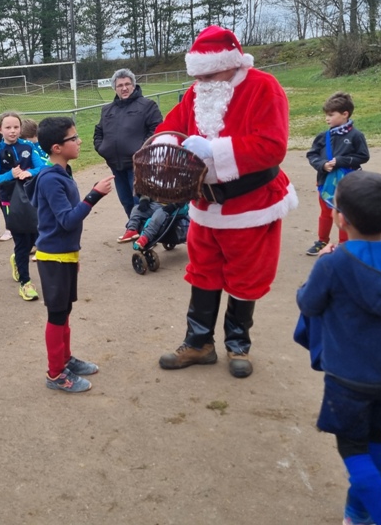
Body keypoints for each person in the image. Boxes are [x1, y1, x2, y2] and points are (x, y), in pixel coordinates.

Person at [154, 25, 298, 378]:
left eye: (209, 74)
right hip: (204, 204)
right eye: (198, 75)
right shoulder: (197, 91)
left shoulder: (264, 87)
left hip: (251, 202)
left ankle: (238, 344)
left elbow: (272, 146)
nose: (202, 81)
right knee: (202, 271)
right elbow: (172, 126)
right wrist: (165, 144)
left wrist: (215, 150)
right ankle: (199, 343)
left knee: (246, 275)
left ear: (231, 63)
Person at [295, 171, 381, 525]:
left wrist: (320, 267)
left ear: (341, 218)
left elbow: (309, 303)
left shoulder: (333, 263)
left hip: (349, 379)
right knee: (375, 447)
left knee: (353, 452)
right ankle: (357, 514)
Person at [28, 117, 114, 392]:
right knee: (56, 314)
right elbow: (66, 220)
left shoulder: (63, 173)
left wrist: (74, 254)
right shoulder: (50, 179)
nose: (79, 141)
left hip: (65, 255)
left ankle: (65, 360)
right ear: (56, 147)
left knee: (65, 311)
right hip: (53, 258)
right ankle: (55, 374)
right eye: (73, 138)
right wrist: (94, 195)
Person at [0, 110, 46, 301]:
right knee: (21, 241)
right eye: (8, 127)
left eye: (16, 127)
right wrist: (10, 175)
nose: (12, 131)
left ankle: (17, 259)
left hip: (33, 198)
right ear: (0, 130)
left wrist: (30, 173)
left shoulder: (28, 146)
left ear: (20, 128)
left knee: (35, 237)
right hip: (10, 202)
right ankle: (25, 284)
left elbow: (43, 167)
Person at [305, 92, 369, 256]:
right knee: (326, 212)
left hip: (347, 182)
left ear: (345, 114)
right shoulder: (323, 136)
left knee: (344, 213)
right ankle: (322, 241)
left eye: (331, 115)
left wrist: (341, 161)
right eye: (326, 115)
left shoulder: (356, 135)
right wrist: (322, 165)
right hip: (325, 181)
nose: (327, 119)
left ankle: (344, 244)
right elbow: (312, 154)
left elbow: (363, 156)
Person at [93, 68, 163, 218]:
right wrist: (102, 148)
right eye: (120, 85)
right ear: (115, 88)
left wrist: (141, 151)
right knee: (126, 202)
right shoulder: (107, 110)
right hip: (116, 166)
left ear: (133, 85)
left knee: (141, 203)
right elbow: (98, 131)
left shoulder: (147, 106)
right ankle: (133, 227)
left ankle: (146, 229)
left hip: (138, 166)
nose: (124, 88)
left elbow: (157, 130)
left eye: (127, 84)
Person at [119, 195, 187, 250]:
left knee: (158, 215)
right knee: (136, 209)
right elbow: (148, 188)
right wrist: (144, 199)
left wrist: (175, 205)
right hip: (157, 203)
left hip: (175, 206)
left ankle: (146, 237)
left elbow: (186, 192)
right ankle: (132, 229)